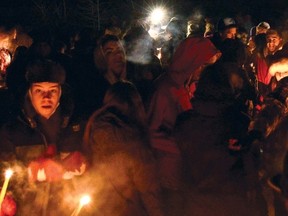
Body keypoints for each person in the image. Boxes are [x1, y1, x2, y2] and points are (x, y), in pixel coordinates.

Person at [174, 62, 266, 216]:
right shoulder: (237, 122)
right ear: (227, 88)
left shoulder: (184, 123)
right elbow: (248, 166)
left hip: (195, 203)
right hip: (230, 203)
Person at [0, 59, 87, 215]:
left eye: (52, 90)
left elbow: (98, 171)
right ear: (30, 93)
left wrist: (85, 163)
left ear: (60, 92)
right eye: (39, 90)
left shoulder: (76, 124)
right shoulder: (13, 130)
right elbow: (4, 175)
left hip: (67, 209)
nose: (46, 97)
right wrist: (31, 172)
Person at [83, 80, 164, 216]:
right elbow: (149, 190)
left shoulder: (93, 128)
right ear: (135, 105)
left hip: (101, 209)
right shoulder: (133, 141)